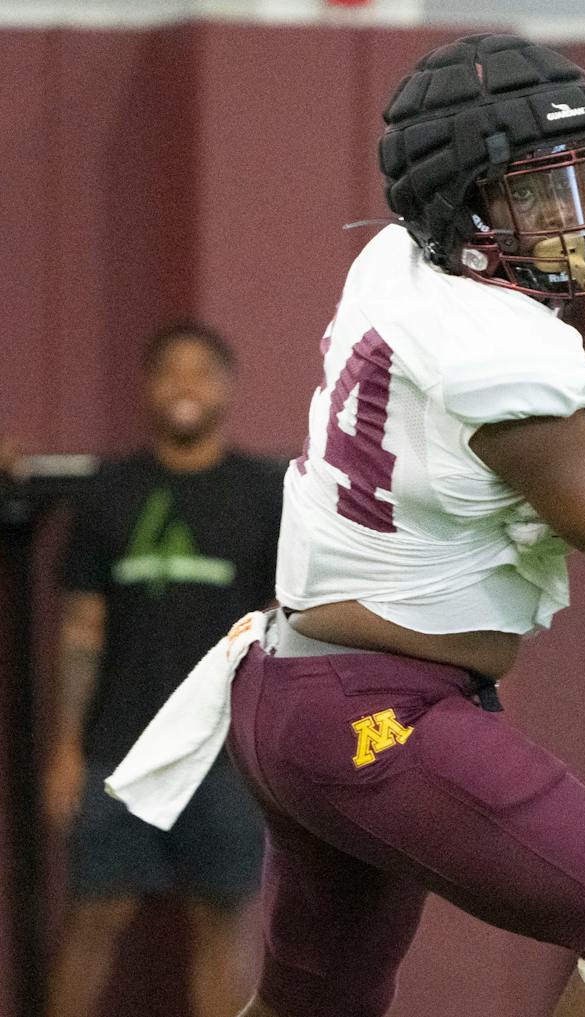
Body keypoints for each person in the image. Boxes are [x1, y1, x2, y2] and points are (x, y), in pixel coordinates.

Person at [106, 35, 585, 1017]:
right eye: (535, 193)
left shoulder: (394, 255)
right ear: (459, 204)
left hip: (294, 690)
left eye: (583, 181)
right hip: (375, 711)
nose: (572, 221)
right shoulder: (491, 344)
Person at [40, 321, 282, 1017]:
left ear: (227, 389)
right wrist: (65, 748)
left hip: (225, 749)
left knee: (220, 922)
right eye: (169, 371)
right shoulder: (107, 493)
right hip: (119, 746)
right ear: (146, 388)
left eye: (201, 371)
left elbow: (281, 630)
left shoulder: (263, 495)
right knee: (94, 916)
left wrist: (273, 748)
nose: (184, 385)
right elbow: (80, 631)